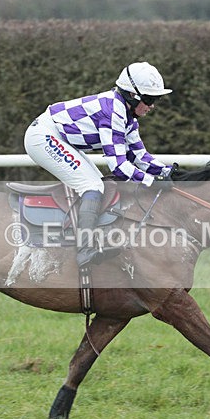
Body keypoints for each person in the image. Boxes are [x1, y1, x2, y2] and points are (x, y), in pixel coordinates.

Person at [24, 61, 175, 267]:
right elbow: (119, 167)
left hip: (59, 137)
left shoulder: (128, 116)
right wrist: (151, 181)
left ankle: (90, 237)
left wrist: (169, 172)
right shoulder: (112, 111)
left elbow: (140, 156)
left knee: (100, 185)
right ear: (133, 95)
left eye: (156, 99)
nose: (152, 106)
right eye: (149, 99)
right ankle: (84, 250)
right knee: (92, 186)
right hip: (43, 136)